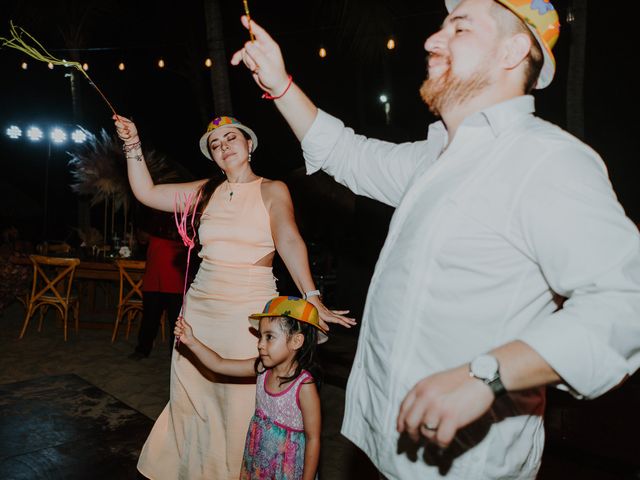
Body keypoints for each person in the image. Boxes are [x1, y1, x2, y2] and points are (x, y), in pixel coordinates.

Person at [230, 1, 640, 478]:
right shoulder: (434, 160)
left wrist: (487, 374)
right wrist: (280, 85)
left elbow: (626, 304)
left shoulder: (544, 160)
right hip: (389, 451)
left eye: (460, 27)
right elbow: (347, 153)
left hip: (466, 465)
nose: (431, 40)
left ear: (513, 50)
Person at [113, 114, 355, 479]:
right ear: (212, 156)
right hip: (200, 309)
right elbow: (146, 193)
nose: (224, 146)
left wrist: (312, 295)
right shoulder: (203, 191)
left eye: (231, 138)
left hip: (246, 311)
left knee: (240, 404)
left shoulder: (272, 189)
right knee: (194, 400)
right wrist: (132, 144)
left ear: (248, 144)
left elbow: (288, 239)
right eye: (215, 144)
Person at [174, 296, 323, 480]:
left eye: (269, 337)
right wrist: (191, 341)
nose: (260, 344)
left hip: (287, 469)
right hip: (258, 461)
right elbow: (219, 364)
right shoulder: (261, 368)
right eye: (260, 336)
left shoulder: (304, 386)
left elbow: (313, 438)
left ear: (296, 341)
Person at [128, 210, 186, 360]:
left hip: (174, 281)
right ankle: (142, 349)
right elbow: (142, 238)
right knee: (149, 318)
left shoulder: (182, 220)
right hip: (154, 279)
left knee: (176, 321)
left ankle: (176, 354)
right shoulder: (153, 218)